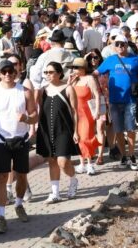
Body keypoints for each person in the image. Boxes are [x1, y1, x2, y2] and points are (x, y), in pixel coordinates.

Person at [0, 59, 38, 234]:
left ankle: (19, 204)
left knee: (21, 176)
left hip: (20, 139)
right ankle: (1, 217)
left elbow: (35, 116)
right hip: (0, 140)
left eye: (10, 71)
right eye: (4, 71)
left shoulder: (25, 91)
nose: (7, 74)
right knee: (1, 177)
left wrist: (26, 120)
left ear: (16, 72)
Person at [95, 34, 138, 170]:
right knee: (118, 130)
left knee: (130, 129)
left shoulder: (135, 59)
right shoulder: (110, 60)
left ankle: (132, 155)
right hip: (114, 101)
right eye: (117, 44)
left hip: (130, 99)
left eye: (122, 44)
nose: (120, 46)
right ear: (113, 46)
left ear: (127, 45)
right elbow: (96, 72)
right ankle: (123, 155)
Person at [36, 62, 79, 202]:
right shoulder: (43, 91)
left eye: (51, 72)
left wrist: (76, 131)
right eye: (46, 72)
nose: (48, 75)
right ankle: (55, 193)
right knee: (51, 161)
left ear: (59, 73)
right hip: (47, 129)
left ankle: (73, 180)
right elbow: (39, 110)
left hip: (64, 130)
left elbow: (74, 111)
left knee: (62, 162)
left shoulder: (68, 89)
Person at [69, 58, 101, 176]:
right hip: (75, 113)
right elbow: (67, 94)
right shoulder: (74, 81)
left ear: (83, 68)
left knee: (86, 137)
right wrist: (69, 81)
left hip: (86, 112)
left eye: (76, 67)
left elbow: (97, 94)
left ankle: (90, 163)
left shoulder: (89, 79)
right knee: (77, 138)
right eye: (73, 68)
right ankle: (82, 163)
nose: (74, 70)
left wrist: (97, 110)